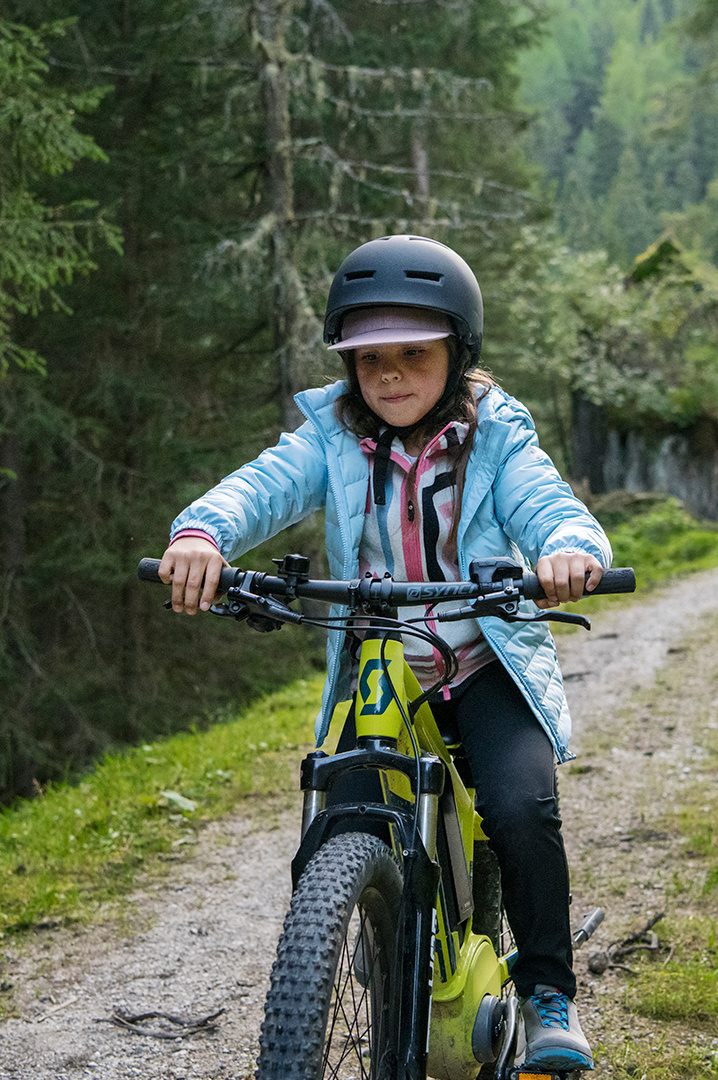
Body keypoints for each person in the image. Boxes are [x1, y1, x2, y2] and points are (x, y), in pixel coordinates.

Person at [157, 234, 610, 1072]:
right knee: (342, 812)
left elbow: (548, 503)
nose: (391, 374)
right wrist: (201, 533)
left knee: (519, 806)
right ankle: (366, 912)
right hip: (380, 668)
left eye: (413, 354)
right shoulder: (329, 432)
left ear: (457, 352)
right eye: (370, 360)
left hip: (481, 661)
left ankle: (549, 992)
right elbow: (262, 486)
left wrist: (568, 550)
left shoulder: (495, 433)